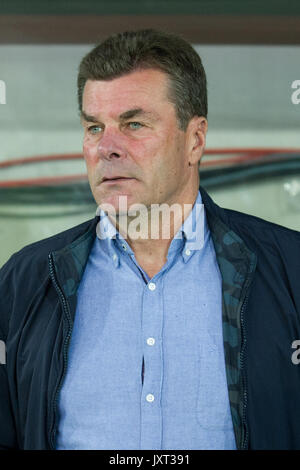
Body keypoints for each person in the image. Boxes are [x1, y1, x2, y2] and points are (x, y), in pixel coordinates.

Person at [0, 29, 300, 451]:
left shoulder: (290, 269)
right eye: (94, 127)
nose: (107, 148)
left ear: (194, 140)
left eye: (133, 124)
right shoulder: (25, 281)